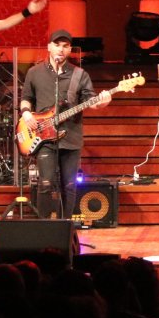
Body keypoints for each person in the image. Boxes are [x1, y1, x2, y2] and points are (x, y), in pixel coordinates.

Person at [20, 29, 111, 219]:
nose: (61, 49)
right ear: (49, 47)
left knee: (69, 186)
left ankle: (65, 226)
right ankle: (44, 227)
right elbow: (26, 98)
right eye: (57, 45)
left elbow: (91, 102)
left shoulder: (79, 74)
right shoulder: (34, 72)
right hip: (43, 137)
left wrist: (104, 101)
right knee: (45, 183)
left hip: (71, 137)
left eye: (65, 46)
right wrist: (26, 113)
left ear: (70, 50)